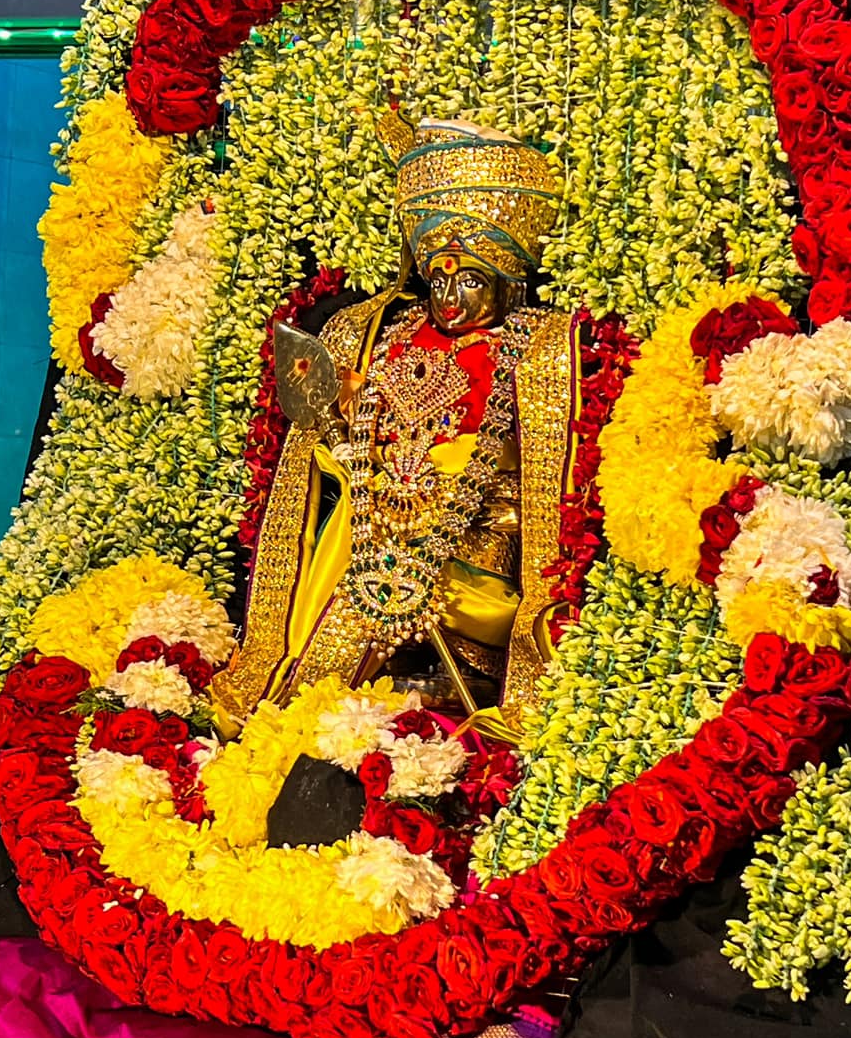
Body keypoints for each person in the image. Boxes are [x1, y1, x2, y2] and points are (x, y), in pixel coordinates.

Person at [211, 112, 577, 738]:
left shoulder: (539, 346)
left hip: (479, 539)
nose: (450, 299)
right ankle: (294, 721)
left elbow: (543, 488)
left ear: (508, 282)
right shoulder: (378, 334)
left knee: (395, 584)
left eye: (470, 280)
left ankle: (324, 715)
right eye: (439, 278)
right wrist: (357, 447)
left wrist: (440, 495)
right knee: (356, 594)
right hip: (369, 534)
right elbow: (322, 449)